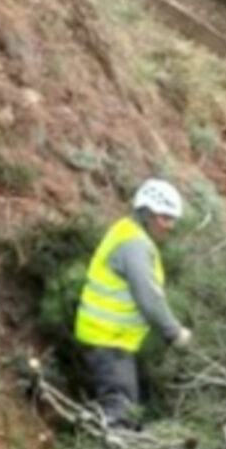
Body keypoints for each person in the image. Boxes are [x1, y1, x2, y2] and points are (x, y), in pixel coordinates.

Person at [73, 179, 192, 426]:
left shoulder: (126, 232)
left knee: (120, 405)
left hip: (106, 338)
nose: (170, 226)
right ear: (146, 214)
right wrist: (175, 333)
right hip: (109, 342)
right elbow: (149, 299)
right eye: (165, 218)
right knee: (120, 414)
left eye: (172, 219)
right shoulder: (135, 245)